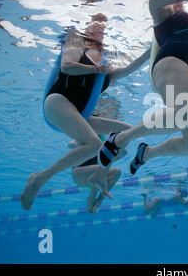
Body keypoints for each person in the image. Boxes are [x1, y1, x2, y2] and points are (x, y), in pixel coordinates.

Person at [20, 14, 150, 211]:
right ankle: (41, 177)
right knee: (94, 144)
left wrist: (151, 52)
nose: (101, 38)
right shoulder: (75, 49)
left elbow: (131, 68)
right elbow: (66, 66)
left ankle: (99, 173)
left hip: (77, 113)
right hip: (57, 102)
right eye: (97, 33)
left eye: (103, 35)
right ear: (88, 38)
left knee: (127, 130)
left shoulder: (105, 71)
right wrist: (96, 69)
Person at [96, 0, 188, 174]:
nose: (179, 3)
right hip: (170, 64)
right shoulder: (166, 18)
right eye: (176, 0)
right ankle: (120, 139)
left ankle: (147, 153)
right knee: (186, 114)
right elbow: (153, 1)